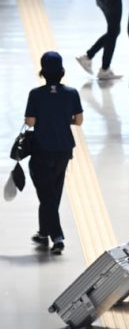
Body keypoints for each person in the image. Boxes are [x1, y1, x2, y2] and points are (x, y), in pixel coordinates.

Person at [24, 52, 84, 255]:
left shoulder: (35, 94)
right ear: (61, 71)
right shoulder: (72, 93)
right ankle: (43, 233)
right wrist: (63, 119)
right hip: (64, 149)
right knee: (53, 193)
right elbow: (79, 121)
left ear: (42, 72)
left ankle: (57, 238)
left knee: (46, 195)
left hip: (42, 150)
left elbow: (30, 122)